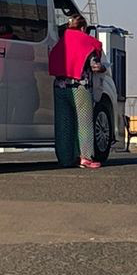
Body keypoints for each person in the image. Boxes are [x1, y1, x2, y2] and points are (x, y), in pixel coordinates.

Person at [49, 13, 106, 169]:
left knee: (64, 124)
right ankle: (85, 157)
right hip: (79, 87)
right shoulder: (87, 42)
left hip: (59, 87)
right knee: (84, 123)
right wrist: (102, 68)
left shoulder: (61, 43)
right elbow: (95, 66)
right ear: (83, 28)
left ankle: (65, 159)